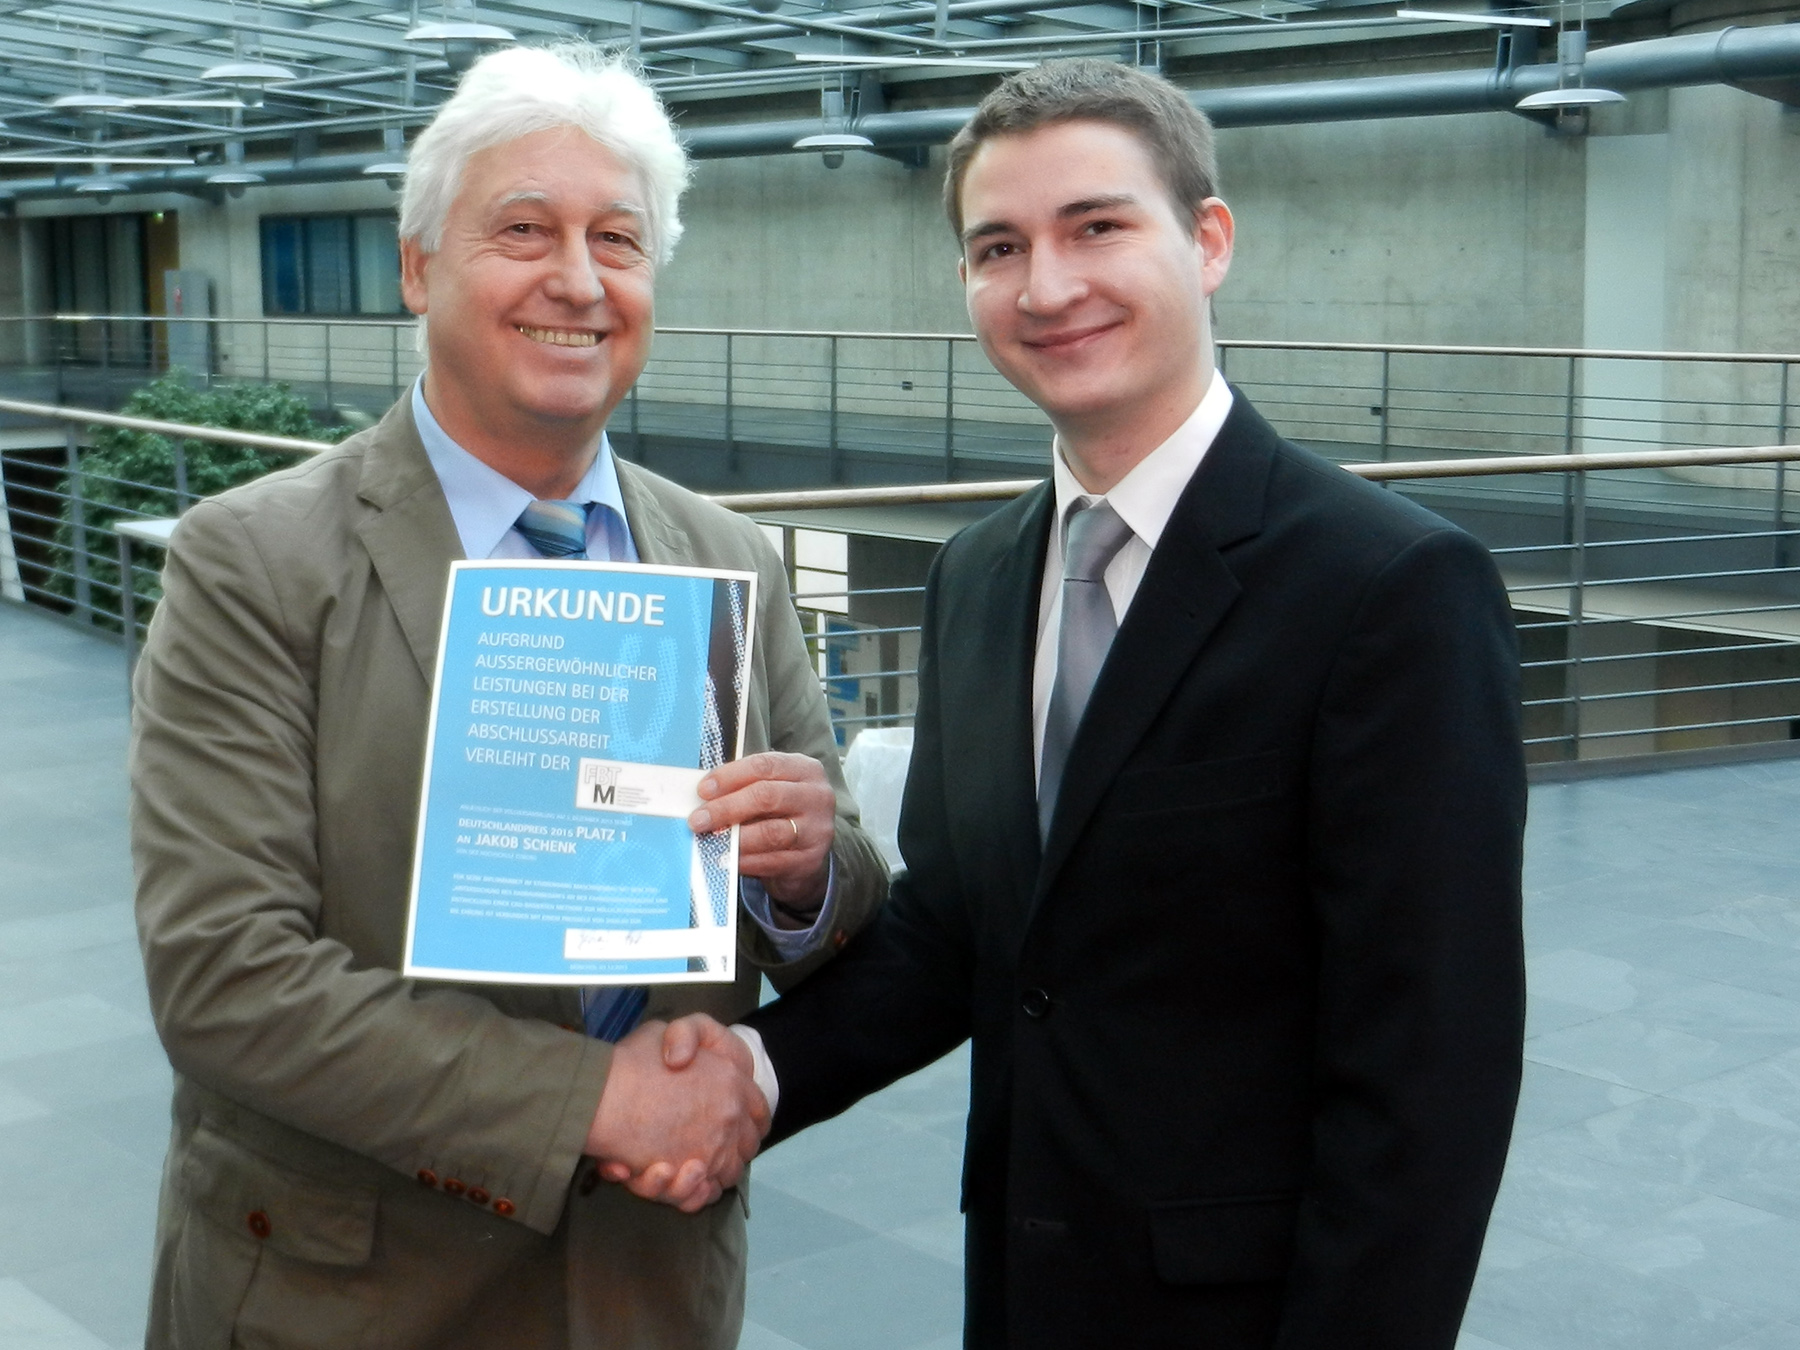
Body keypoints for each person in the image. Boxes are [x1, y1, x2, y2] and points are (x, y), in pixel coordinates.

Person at [637, 58, 1528, 1347]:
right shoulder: (981, 576)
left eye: (1097, 226)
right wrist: (755, 1073)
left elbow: (1428, 1076)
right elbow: (963, 925)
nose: (1048, 287)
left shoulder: (1389, 588)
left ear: (1207, 240)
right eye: (1000, 246)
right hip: (1024, 1286)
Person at [128, 43, 884, 1350]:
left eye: (619, 240)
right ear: (420, 267)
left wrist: (805, 875)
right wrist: (598, 1099)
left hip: (652, 1289)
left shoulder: (729, 560)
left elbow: (835, 917)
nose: (579, 281)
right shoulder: (253, 561)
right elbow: (224, 975)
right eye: (524, 230)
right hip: (351, 1296)